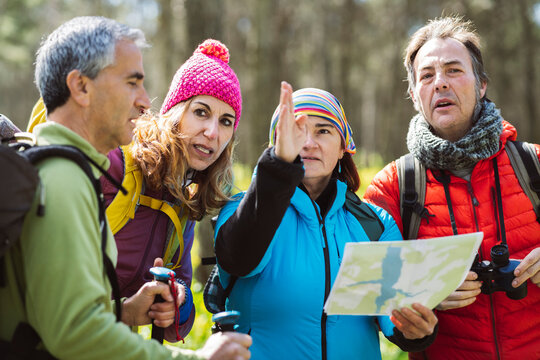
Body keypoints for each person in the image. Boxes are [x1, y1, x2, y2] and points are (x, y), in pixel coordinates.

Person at [0, 16, 251, 359]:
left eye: (226, 122)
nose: (146, 101)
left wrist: (157, 305)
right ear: (81, 88)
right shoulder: (82, 173)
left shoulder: (183, 199)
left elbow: (66, 310)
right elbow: (75, 332)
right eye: (132, 83)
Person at [213, 83, 438, 359]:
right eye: (297, 131)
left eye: (323, 131)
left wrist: (413, 328)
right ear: (278, 143)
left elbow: (393, 313)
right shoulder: (241, 211)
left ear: (344, 146)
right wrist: (279, 167)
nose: (308, 142)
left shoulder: (375, 226)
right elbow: (239, 259)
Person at [364, 16, 540, 359]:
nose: (440, 83)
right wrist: (422, 296)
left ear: (482, 85)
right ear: (415, 95)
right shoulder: (393, 187)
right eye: (427, 76)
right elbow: (372, 295)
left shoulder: (533, 164)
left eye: (454, 70)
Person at [99, 38, 241, 342]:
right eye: (201, 112)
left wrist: (177, 302)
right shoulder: (114, 163)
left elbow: (180, 325)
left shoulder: (181, 202)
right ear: (174, 112)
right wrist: (123, 312)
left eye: (226, 121)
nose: (213, 132)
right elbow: (47, 281)